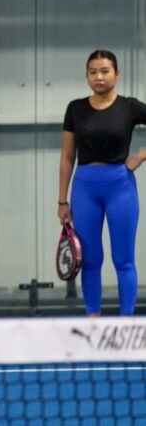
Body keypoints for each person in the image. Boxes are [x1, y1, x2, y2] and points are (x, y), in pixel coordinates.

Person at [58, 49, 146, 316]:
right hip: (85, 188)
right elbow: (67, 156)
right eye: (93, 72)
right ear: (86, 76)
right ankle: (93, 322)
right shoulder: (75, 108)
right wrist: (62, 200)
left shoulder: (129, 107)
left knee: (124, 260)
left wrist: (141, 156)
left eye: (105, 71)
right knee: (92, 259)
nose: (99, 77)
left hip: (120, 187)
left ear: (116, 74)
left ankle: (127, 324)